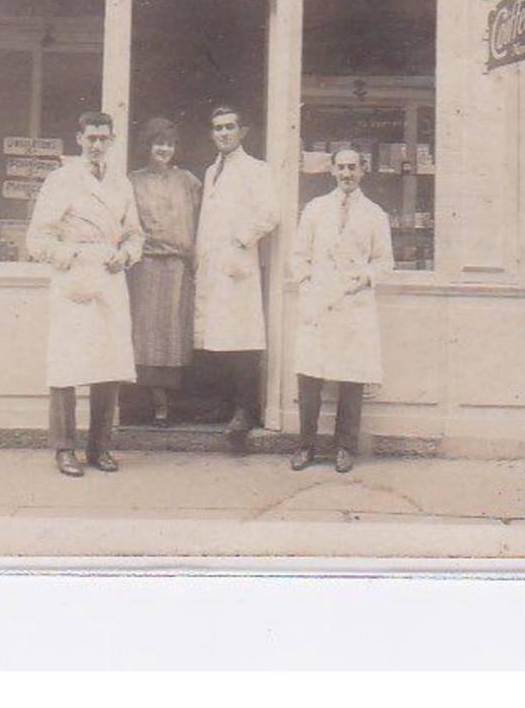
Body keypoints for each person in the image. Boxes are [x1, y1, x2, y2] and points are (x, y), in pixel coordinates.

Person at [26, 111, 144, 477]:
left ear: (112, 141)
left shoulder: (120, 183)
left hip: (109, 277)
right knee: (66, 365)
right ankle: (64, 448)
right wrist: (68, 255)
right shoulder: (61, 180)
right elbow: (37, 238)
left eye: (103, 139)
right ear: (79, 139)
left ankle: (100, 447)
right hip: (73, 277)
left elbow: (135, 234)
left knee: (108, 365)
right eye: (90, 138)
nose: (96, 145)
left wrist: (125, 255)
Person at [288, 146, 394, 474]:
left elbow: (384, 261)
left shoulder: (375, 214)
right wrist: (306, 283)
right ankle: (306, 445)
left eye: (353, 167)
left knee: (351, 379)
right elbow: (298, 254)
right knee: (310, 377)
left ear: (362, 170)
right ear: (332, 171)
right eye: (341, 167)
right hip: (319, 302)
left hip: (353, 303)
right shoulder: (316, 209)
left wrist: (365, 277)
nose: (347, 174)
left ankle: (344, 447)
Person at [193, 104, 280, 443]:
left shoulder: (257, 170)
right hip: (213, 265)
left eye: (230, 127)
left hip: (238, 265)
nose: (223, 133)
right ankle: (224, 404)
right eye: (217, 128)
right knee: (216, 338)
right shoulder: (210, 171)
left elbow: (271, 213)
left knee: (242, 338)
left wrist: (240, 240)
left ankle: (245, 410)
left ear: (242, 132)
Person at [127, 117, 203, 425]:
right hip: (145, 267)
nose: (164, 149)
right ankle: (152, 401)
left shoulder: (188, 181)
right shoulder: (133, 181)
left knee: (175, 335)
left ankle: (172, 402)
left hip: (177, 267)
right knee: (146, 334)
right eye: (159, 143)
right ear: (148, 146)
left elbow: (200, 223)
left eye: (170, 144)